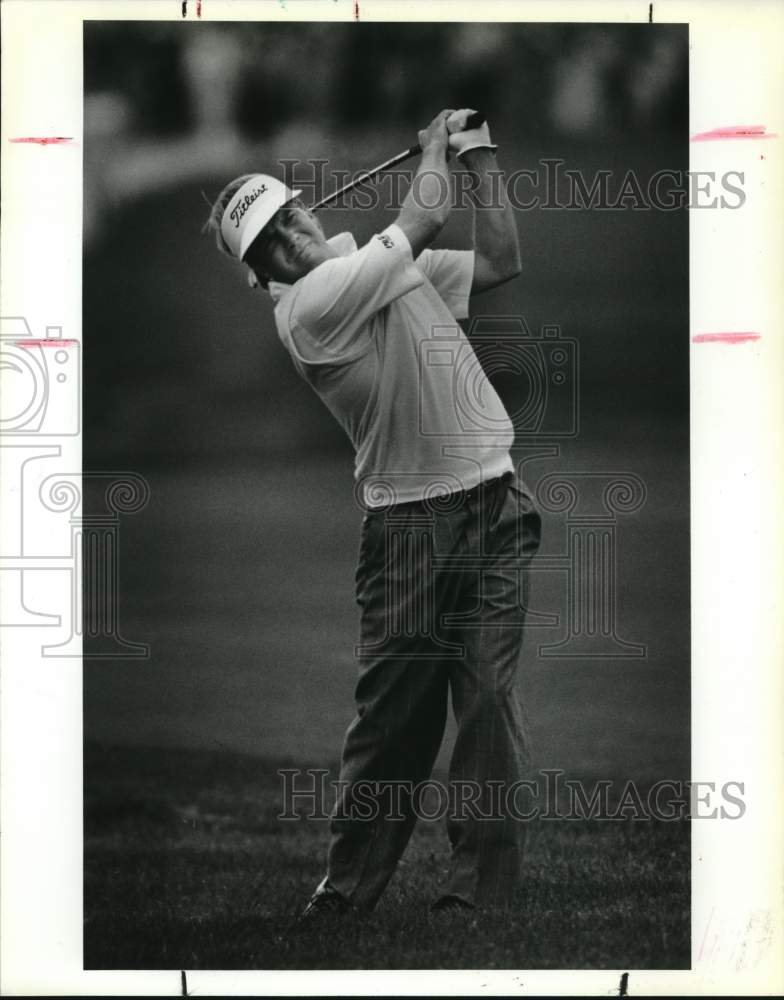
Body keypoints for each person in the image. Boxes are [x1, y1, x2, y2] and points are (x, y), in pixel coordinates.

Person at [205, 109, 541, 917]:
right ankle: (347, 889)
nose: (291, 236)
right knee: (395, 727)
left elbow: (500, 259)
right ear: (263, 276)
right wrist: (435, 149)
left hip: (496, 501)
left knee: (489, 701)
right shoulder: (311, 306)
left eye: (290, 215)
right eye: (269, 243)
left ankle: (478, 895)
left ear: (309, 207)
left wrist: (481, 157)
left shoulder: (381, 266)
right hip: (407, 532)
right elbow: (422, 214)